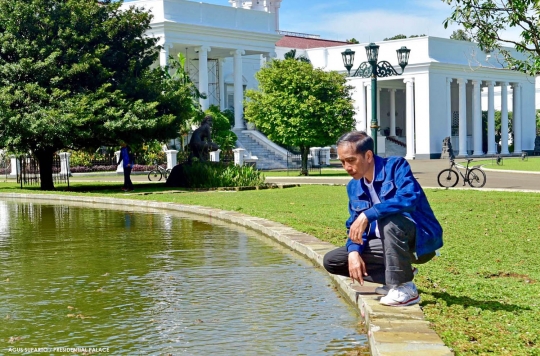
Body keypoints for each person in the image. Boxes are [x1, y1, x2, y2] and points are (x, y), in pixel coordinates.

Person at [323, 131, 443, 307]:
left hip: (417, 240)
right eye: (342, 162)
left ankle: (405, 288)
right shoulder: (353, 186)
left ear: (368, 155)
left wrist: (369, 214)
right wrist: (354, 251)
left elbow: (409, 197)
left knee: (388, 220)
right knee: (333, 261)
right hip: (384, 245)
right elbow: (355, 226)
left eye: (351, 160)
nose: (346, 167)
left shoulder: (396, 167)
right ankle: (396, 277)